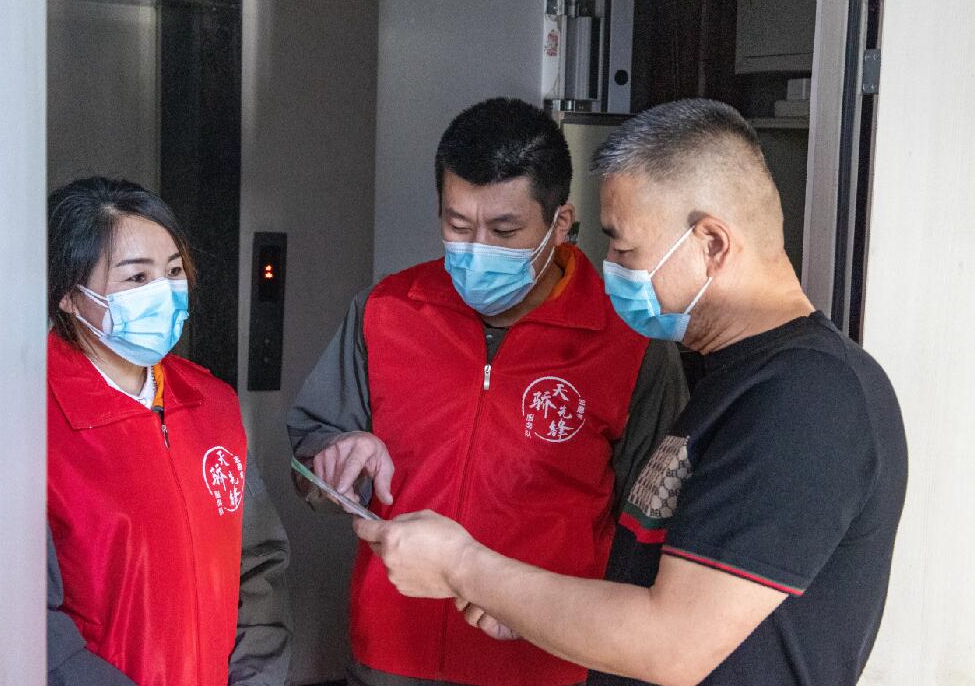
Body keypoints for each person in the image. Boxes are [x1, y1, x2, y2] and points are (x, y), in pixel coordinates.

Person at [352, 99, 909, 686]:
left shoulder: (808, 399)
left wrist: (463, 567)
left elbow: (669, 645)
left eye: (624, 247)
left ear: (712, 244)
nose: (610, 266)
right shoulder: (732, 380)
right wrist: (522, 603)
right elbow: (649, 591)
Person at [287, 97, 687, 686]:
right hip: (392, 651)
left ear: (560, 223)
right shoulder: (386, 311)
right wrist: (332, 457)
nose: (477, 249)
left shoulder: (628, 337)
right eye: (458, 226)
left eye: (504, 231)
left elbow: (656, 521)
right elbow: (308, 459)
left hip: (548, 662)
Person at [47, 177, 292, 686]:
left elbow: (257, 570)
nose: (165, 293)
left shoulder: (212, 405)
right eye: (138, 277)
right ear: (70, 295)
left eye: (174, 272)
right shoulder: (27, 421)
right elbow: (30, 620)